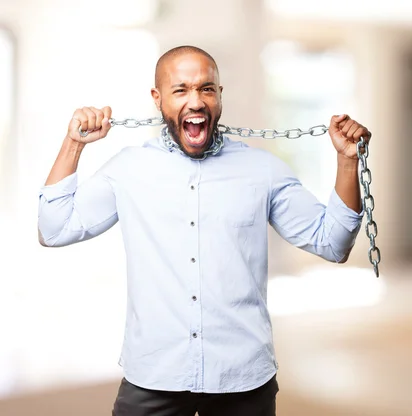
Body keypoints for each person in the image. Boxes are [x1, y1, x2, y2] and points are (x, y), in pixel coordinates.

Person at [37, 45, 371, 416]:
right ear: (157, 98)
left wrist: (347, 160)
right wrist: (73, 144)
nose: (195, 101)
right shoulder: (128, 170)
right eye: (180, 90)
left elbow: (333, 242)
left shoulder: (262, 170)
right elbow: (55, 228)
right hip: (153, 374)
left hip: (242, 377)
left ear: (219, 95)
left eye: (206, 89)